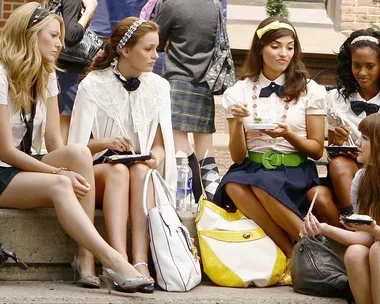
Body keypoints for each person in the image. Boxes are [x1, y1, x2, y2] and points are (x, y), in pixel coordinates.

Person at [0, 2, 151, 293]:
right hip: (3, 170)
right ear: (29, 34)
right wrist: (58, 172)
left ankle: (84, 257)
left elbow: (56, 142)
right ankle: (113, 260)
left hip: (26, 163)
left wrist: (76, 164)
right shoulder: (1, 74)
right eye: (53, 36)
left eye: (60, 36)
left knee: (79, 151)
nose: (60, 44)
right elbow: (5, 150)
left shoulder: (46, 74)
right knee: (59, 185)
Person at [68, 17, 177, 293]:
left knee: (141, 170)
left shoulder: (160, 87)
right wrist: (107, 142)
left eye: (157, 49)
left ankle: (140, 261)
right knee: (118, 170)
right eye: (148, 49)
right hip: (98, 173)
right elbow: (76, 149)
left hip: (138, 170)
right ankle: (119, 260)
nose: (155, 56)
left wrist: (155, 158)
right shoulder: (92, 84)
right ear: (126, 50)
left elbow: (162, 146)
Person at [212, 16, 326, 259]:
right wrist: (237, 123)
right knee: (232, 183)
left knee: (261, 184)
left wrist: (289, 134)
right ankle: (292, 252)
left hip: (294, 170)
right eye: (275, 46)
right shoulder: (238, 91)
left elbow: (316, 151)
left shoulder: (311, 90)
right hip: (253, 165)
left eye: (290, 46)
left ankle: (307, 251)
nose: (283, 53)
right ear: (260, 48)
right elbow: (238, 156)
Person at [302, 112, 380, 304]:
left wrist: (374, 230)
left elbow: (374, 237)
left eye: (365, 138)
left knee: (378, 250)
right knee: (355, 252)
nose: (357, 143)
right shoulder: (362, 179)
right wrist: (323, 228)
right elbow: (365, 237)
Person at [307, 29, 380, 228]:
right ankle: (356, 227)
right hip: (348, 171)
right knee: (317, 193)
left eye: (370, 66)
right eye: (356, 65)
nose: (362, 73)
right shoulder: (337, 99)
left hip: (377, 172)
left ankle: (359, 233)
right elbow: (332, 151)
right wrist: (338, 142)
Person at [155, 0, 221, 201]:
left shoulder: (173, 5)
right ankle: (215, 204)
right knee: (206, 154)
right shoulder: (215, 5)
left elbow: (155, 42)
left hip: (177, 81)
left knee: (179, 152)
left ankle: (182, 205)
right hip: (205, 82)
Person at [52, 0, 98, 144]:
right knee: (67, 116)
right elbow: (71, 36)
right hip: (68, 68)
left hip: (67, 67)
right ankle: (61, 158)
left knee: (66, 115)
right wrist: (90, 9)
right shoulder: (73, 1)